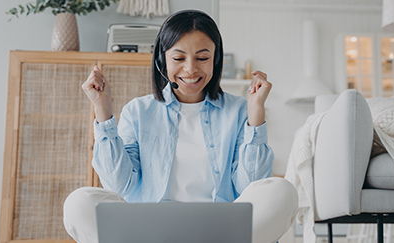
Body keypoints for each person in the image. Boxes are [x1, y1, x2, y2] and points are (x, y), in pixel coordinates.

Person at [63, 10, 298, 243]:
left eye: (202, 58)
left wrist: (256, 111)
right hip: (152, 230)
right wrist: (102, 109)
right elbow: (119, 185)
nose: (191, 69)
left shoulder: (238, 111)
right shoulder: (138, 111)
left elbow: (250, 187)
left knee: (282, 191)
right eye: (178, 58)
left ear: (216, 60)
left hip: (220, 231)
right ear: (161, 60)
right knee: (78, 202)